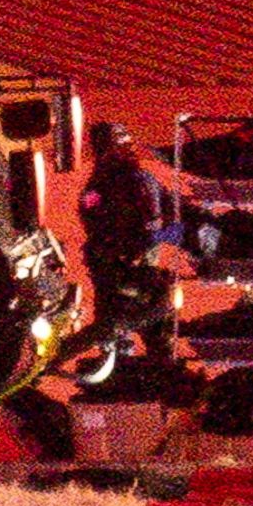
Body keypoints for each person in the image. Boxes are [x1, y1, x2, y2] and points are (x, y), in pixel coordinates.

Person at [69, 121, 178, 384]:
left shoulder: (138, 180)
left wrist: (149, 243)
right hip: (117, 266)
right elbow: (89, 212)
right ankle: (126, 366)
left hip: (134, 266)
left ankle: (153, 370)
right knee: (120, 321)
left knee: (148, 320)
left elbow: (166, 217)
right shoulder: (105, 183)